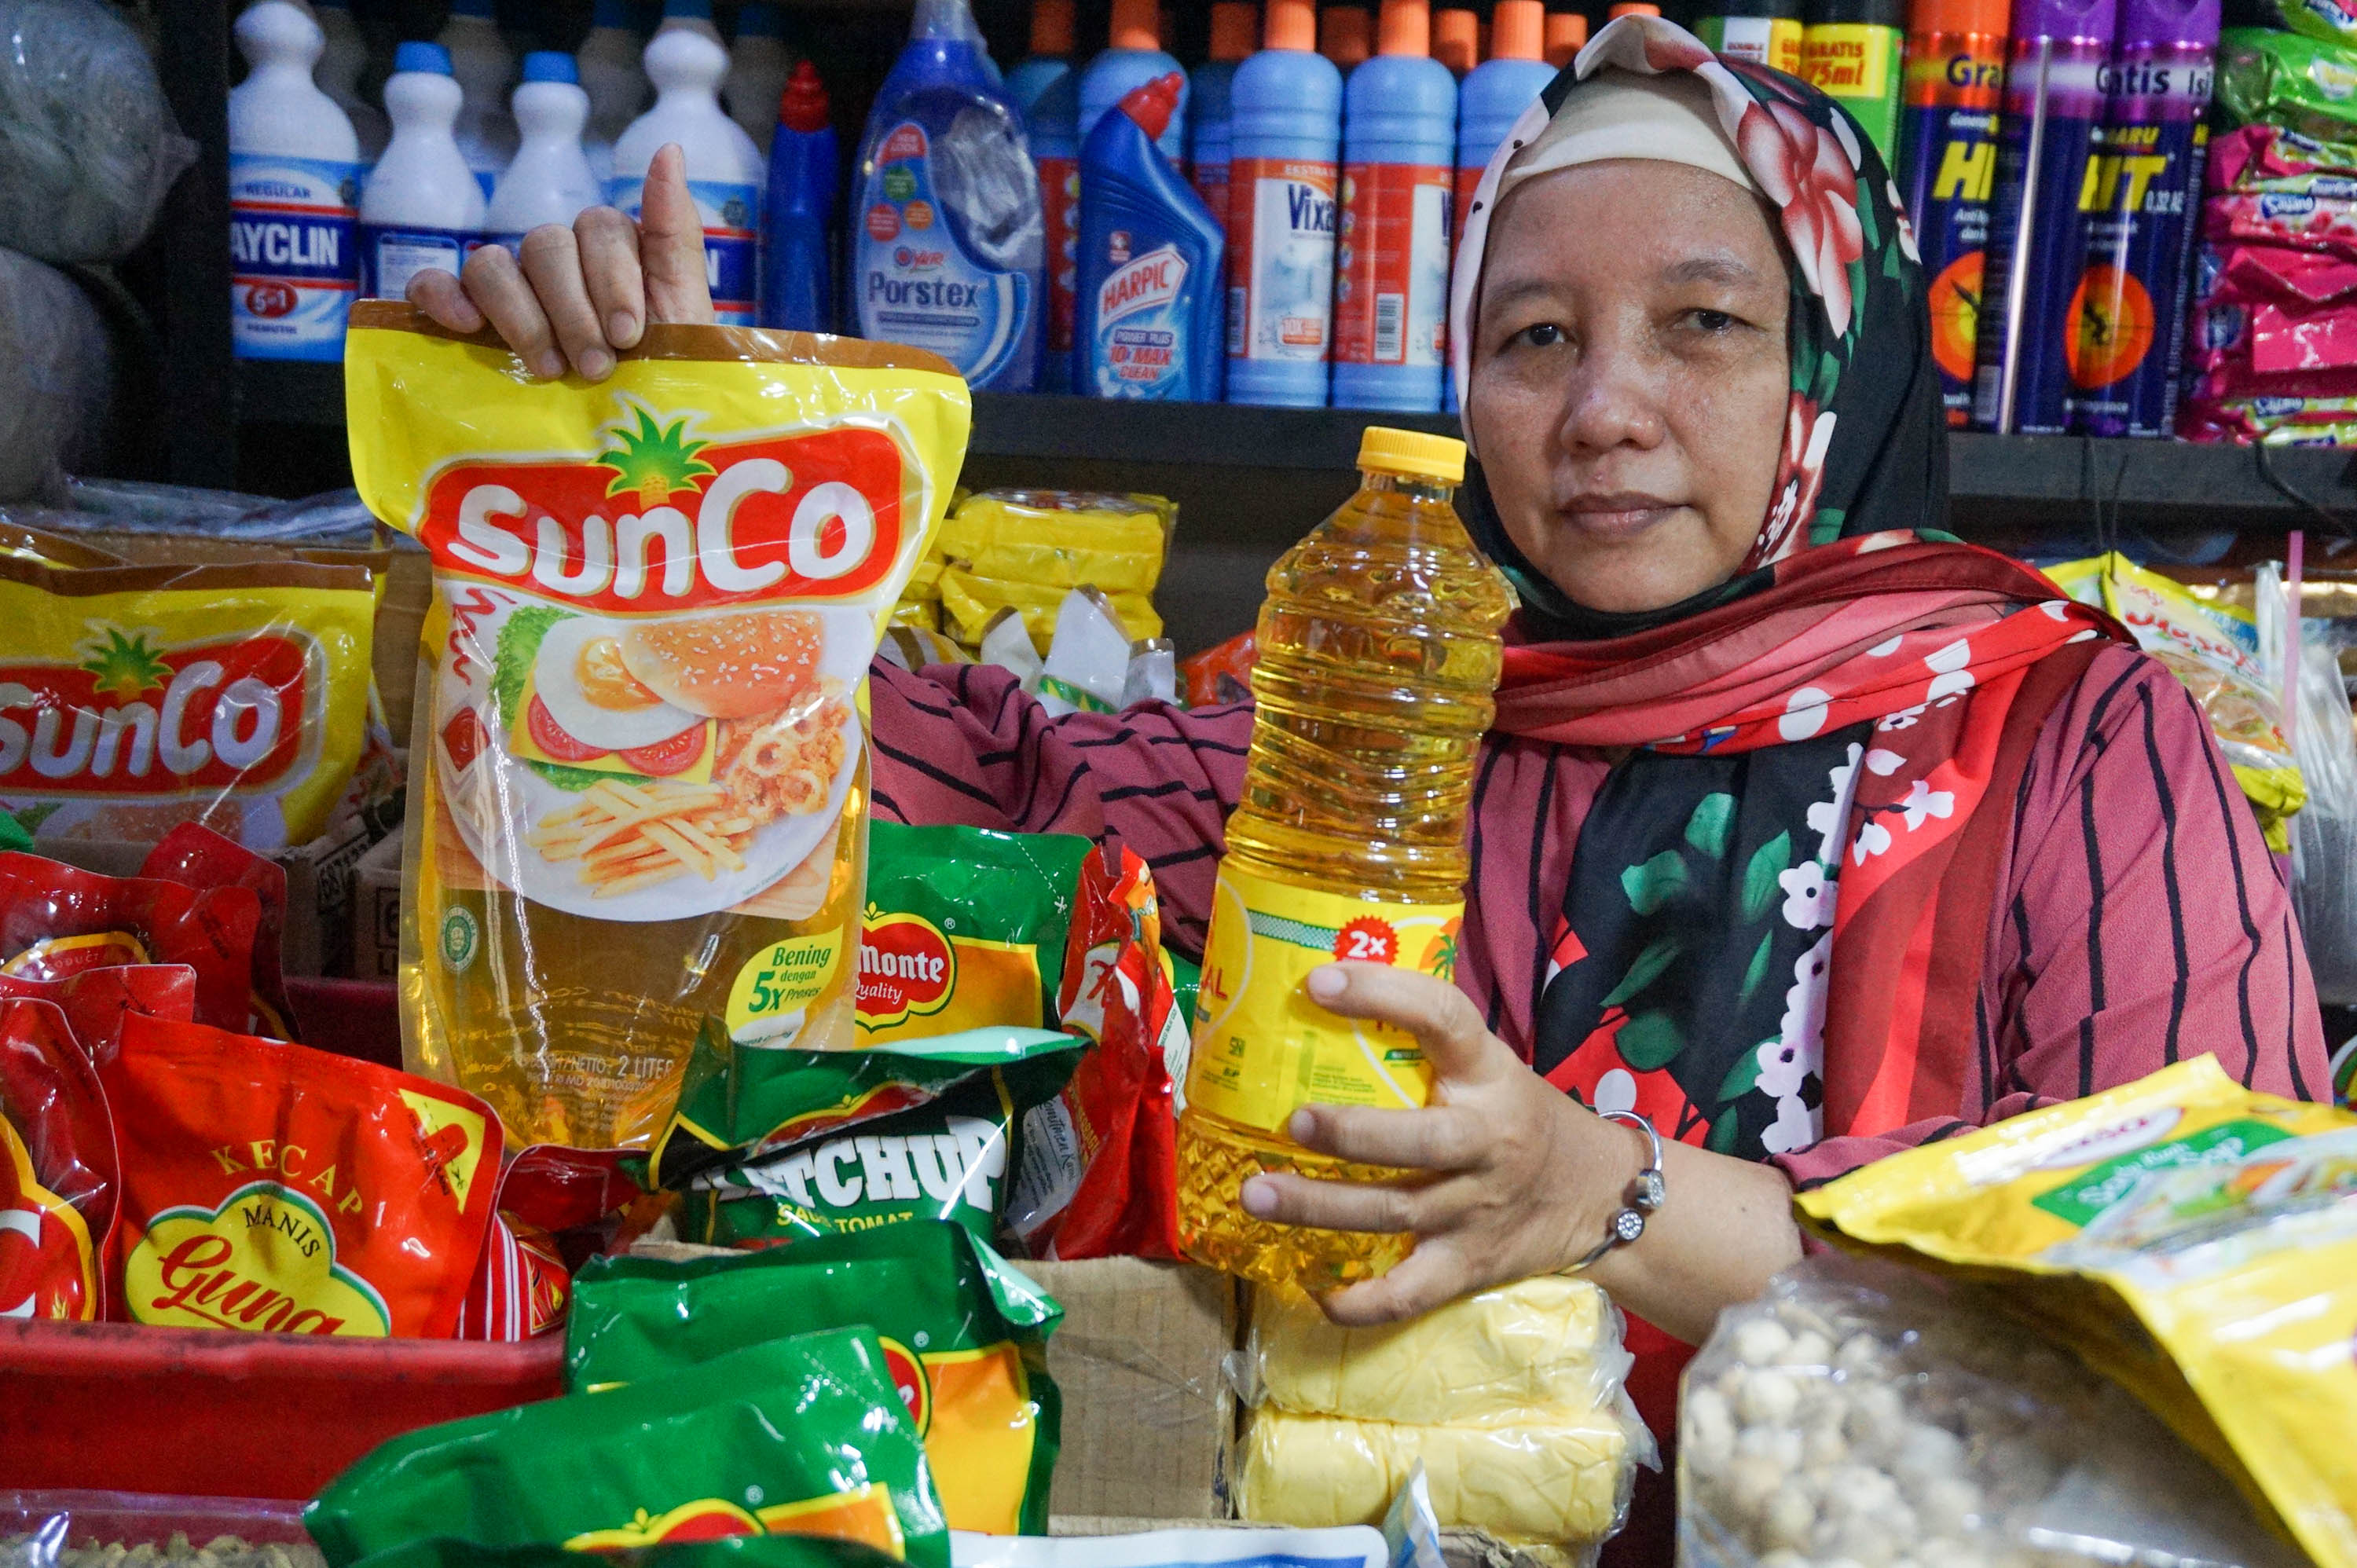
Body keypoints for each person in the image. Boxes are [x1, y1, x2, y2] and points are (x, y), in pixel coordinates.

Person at [409, 13, 2325, 1391]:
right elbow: (927, 796)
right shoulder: (1368, 713)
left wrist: (1611, 1193)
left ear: (1844, 357)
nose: (1603, 410)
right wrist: (626, 502)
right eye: (1534, 336)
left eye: (1709, 323)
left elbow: (2232, 1245)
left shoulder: (2070, 733)